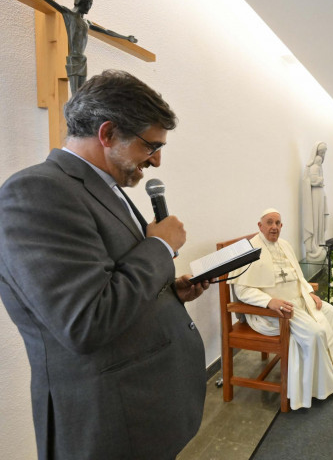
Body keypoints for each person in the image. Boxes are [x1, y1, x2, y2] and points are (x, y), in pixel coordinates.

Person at [0, 70, 209, 459]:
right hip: (109, 418)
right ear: (108, 133)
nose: (157, 161)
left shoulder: (104, 187)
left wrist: (168, 292)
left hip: (145, 404)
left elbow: (115, 279)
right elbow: (86, 321)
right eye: (151, 145)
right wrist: (161, 246)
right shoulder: (36, 192)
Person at [235, 209, 333, 410]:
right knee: (316, 332)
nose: (274, 227)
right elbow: (242, 289)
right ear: (259, 226)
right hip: (274, 312)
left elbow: (298, 277)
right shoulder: (251, 251)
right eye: (269, 222)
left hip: (298, 301)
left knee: (331, 312)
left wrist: (308, 292)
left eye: (278, 223)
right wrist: (269, 302)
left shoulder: (285, 245)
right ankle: (319, 387)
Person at [0, 0, 138, 94]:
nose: (90, 7)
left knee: (82, 96)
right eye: (89, 3)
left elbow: (107, 31)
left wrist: (126, 37)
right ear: (80, 2)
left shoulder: (86, 23)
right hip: (73, 59)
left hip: (82, 59)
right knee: (75, 97)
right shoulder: (68, 14)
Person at [301, 141, 328, 261]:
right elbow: (311, 181)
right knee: (315, 219)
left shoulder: (319, 166)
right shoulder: (312, 166)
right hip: (315, 195)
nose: (321, 156)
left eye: (323, 153)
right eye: (320, 152)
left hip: (320, 194)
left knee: (320, 220)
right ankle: (314, 244)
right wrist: (320, 180)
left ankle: (319, 242)